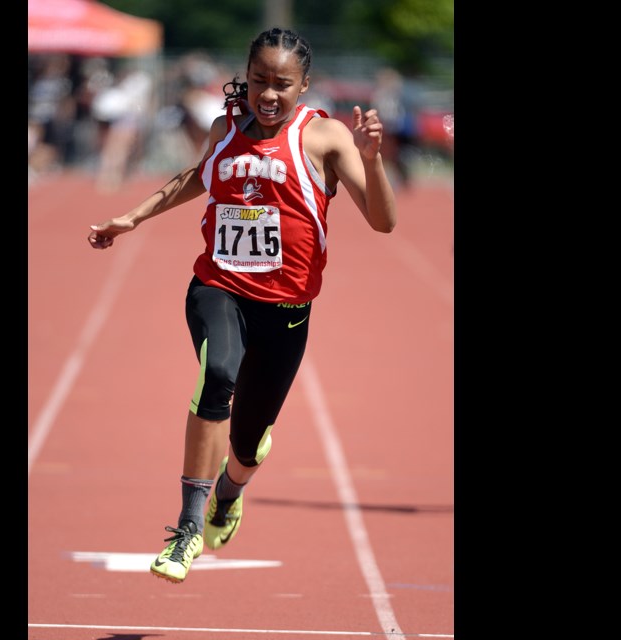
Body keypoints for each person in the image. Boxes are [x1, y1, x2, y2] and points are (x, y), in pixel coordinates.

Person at [87, 27, 398, 584]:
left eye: (282, 84)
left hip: (285, 309)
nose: (269, 94)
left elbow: (384, 221)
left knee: (249, 444)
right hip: (218, 286)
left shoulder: (323, 137)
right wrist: (131, 218)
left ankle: (229, 493)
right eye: (259, 81)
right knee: (218, 377)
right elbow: (193, 179)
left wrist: (372, 161)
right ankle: (185, 531)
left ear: (304, 86)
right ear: (246, 78)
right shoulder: (223, 129)